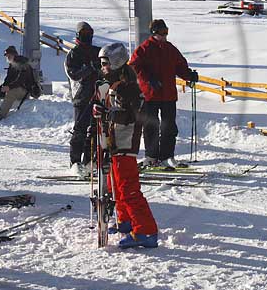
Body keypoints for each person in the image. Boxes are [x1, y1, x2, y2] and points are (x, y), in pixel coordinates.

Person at [94, 42, 159, 249]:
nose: (103, 68)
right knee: (116, 186)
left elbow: (132, 115)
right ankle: (126, 221)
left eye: (105, 64)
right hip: (114, 141)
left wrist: (109, 113)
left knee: (128, 187)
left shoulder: (128, 87)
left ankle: (146, 230)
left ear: (116, 63)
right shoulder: (114, 85)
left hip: (125, 142)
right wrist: (101, 111)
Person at [128, 19, 199, 168]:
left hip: (168, 95)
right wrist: (148, 79)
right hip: (150, 95)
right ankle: (151, 156)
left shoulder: (170, 48)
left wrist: (189, 75)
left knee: (169, 127)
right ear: (154, 32)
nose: (164, 35)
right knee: (151, 126)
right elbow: (134, 65)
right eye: (161, 32)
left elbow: (180, 66)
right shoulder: (145, 48)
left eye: (166, 32)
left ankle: (167, 156)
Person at [64, 21, 100, 177]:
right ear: (78, 35)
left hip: (99, 95)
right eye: (84, 33)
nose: (87, 36)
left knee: (95, 130)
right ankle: (75, 162)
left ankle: (89, 161)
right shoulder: (73, 54)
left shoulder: (97, 51)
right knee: (79, 130)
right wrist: (90, 68)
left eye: (89, 33)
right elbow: (74, 74)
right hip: (81, 97)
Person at [0, 45, 40, 120]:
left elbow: (20, 80)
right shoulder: (12, 65)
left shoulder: (22, 63)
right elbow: (8, 79)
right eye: (7, 56)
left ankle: (0, 115)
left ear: (14, 55)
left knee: (11, 92)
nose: (7, 57)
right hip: (16, 87)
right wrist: (1, 88)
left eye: (9, 55)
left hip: (25, 90)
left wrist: (9, 87)